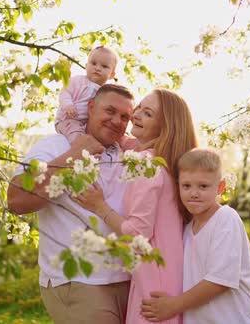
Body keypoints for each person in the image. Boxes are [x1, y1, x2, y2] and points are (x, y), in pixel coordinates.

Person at [7, 83, 135, 324]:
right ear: (91, 107)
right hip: (79, 282)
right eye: (110, 111)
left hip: (129, 281)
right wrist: (73, 155)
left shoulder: (129, 156)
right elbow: (16, 200)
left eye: (125, 116)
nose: (116, 121)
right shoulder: (54, 145)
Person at [74, 89, 199, 324]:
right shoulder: (157, 159)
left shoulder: (146, 165)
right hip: (167, 274)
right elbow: (120, 138)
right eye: (138, 108)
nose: (135, 115)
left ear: (165, 127)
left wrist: (100, 207)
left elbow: (138, 232)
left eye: (147, 113)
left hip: (153, 283)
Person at [140, 149, 250, 324]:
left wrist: (173, 305)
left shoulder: (225, 219)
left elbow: (219, 282)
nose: (193, 193)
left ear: (220, 188)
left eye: (203, 186)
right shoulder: (187, 230)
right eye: (186, 186)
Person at [55, 46, 118, 143]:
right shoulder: (77, 81)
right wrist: (68, 105)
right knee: (76, 134)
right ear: (86, 66)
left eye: (104, 66)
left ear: (112, 75)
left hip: (86, 125)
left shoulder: (106, 92)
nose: (97, 68)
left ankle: (95, 154)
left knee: (98, 137)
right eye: (93, 63)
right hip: (68, 120)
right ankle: (81, 149)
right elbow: (65, 92)